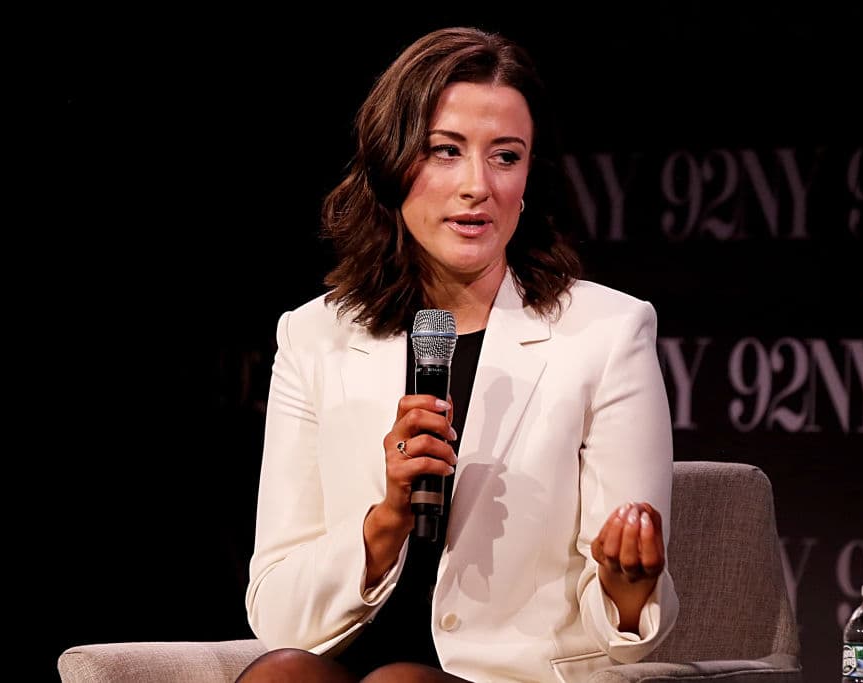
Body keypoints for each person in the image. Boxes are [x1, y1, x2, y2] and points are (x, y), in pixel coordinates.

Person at [237, 26, 678, 683]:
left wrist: (628, 586)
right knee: (283, 673)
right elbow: (276, 610)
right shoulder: (315, 334)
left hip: (508, 675)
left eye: (505, 156)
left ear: (530, 177)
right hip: (348, 663)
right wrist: (385, 523)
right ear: (393, 164)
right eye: (446, 151)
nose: (477, 184)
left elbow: (624, 630)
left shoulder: (608, 331)